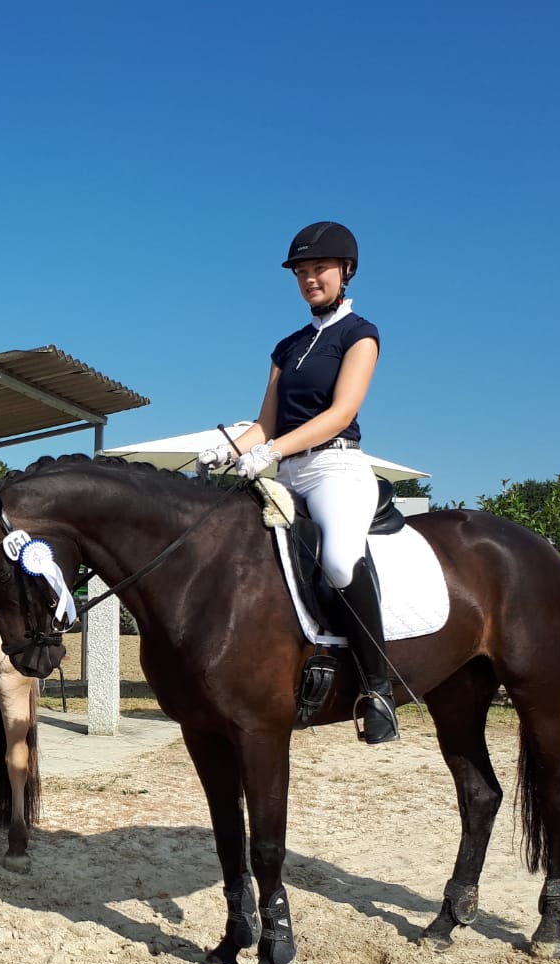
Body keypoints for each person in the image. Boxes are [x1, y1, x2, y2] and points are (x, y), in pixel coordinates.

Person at [204, 221, 399, 743]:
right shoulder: (287, 347)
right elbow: (264, 423)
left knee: (338, 560)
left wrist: (270, 451)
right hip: (287, 473)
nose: (310, 278)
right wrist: (227, 450)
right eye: (301, 272)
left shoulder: (359, 334)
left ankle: (378, 689)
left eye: (320, 269)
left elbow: (340, 413)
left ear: (345, 271)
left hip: (335, 469)